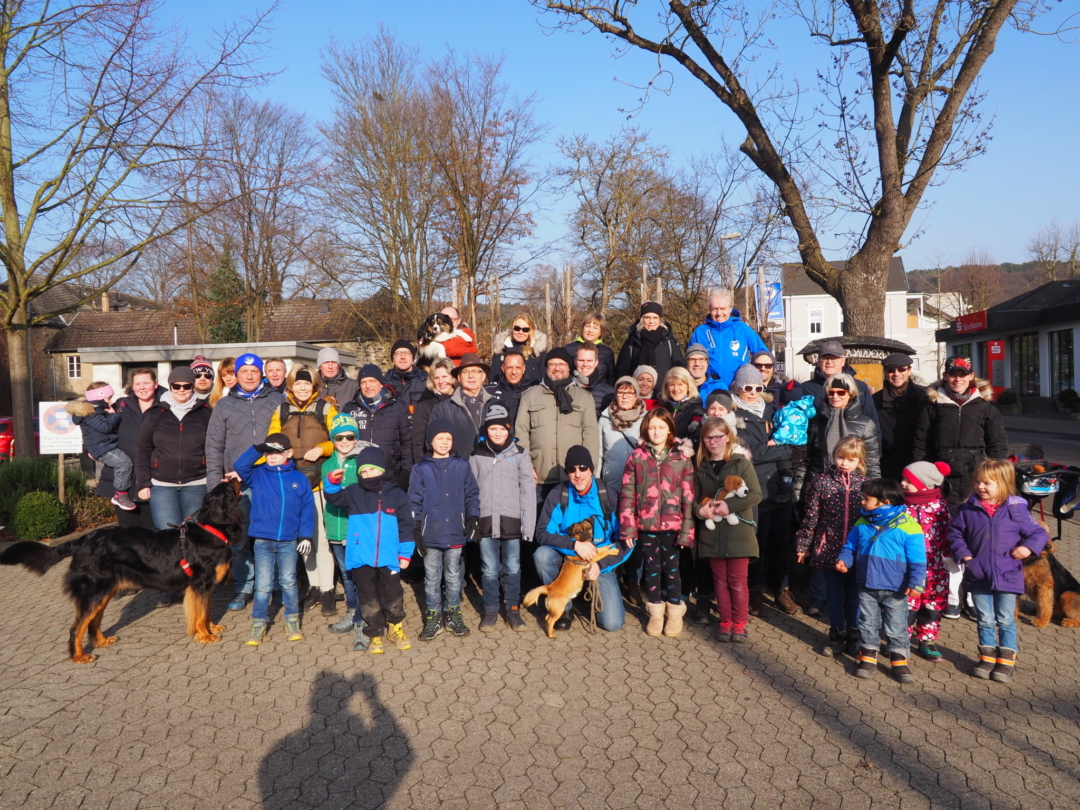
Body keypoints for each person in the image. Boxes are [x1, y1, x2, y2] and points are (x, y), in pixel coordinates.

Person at [947, 458, 1049, 683]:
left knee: (1005, 619)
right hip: (978, 573)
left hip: (1008, 575)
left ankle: (1006, 662)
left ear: (1003, 484)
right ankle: (987, 657)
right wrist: (965, 555)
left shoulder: (1017, 510)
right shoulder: (968, 509)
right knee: (984, 619)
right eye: (978, 482)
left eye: (987, 483)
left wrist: (1026, 548)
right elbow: (954, 532)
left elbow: (1039, 534)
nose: (980, 487)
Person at [205, 353, 286, 611]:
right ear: (235, 375)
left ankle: (274, 586)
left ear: (261, 373)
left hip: (270, 478)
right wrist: (214, 486)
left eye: (254, 371)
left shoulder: (276, 399)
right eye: (244, 372)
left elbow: (286, 438)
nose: (249, 376)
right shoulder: (224, 406)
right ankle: (244, 586)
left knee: (270, 535)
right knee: (239, 538)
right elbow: (214, 446)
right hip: (236, 483)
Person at [323, 445, 414, 656]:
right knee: (369, 598)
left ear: (381, 469)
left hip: (389, 556)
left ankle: (395, 628)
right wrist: (333, 481)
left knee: (393, 594)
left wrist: (405, 553)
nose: (367, 475)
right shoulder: (354, 492)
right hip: (361, 556)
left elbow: (407, 527)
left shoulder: (397, 495)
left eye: (371, 470)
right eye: (363, 472)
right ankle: (374, 633)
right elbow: (334, 497)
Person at [836, 478, 926, 683]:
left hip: (896, 588)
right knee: (868, 623)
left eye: (867, 499)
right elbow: (850, 546)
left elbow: (918, 560)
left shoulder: (909, 526)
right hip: (866, 585)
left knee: (896, 626)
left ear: (884, 502)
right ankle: (868, 658)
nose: (862, 502)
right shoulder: (862, 522)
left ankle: (899, 661)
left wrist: (916, 583)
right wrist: (845, 560)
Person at [266, 364, 339, 616]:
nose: (302, 388)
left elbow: (341, 440)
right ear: (290, 386)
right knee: (303, 540)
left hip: (318, 483)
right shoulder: (281, 410)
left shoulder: (325, 409)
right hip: (292, 484)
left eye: (307, 384)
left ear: (314, 385)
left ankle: (328, 590)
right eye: (298, 384)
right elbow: (271, 443)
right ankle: (315, 587)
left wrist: (322, 448)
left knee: (320, 539)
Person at [534, 445, 629, 632]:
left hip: (600, 561)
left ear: (591, 469)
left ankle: (592, 593)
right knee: (541, 556)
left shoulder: (608, 495)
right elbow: (543, 532)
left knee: (612, 624)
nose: (578, 474)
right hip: (569, 558)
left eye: (583, 468)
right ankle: (564, 609)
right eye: (572, 469)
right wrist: (574, 545)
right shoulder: (558, 494)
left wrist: (601, 565)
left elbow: (625, 540)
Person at [729, 363, 800, 616]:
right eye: (747, 387)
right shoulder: (733, 415)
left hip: (780, 484)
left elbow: (793, 444)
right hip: (753, 488)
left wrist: (782, 452)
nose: (752, 392)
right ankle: (755, 590)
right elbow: (751, 454)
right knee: (756, 543)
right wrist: (781, 450)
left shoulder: (773, 410)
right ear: (737, 387)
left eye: (757, 387)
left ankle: (781, 588)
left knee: (780, 543)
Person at [619, 408, 696, 637]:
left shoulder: (681, 458)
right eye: (652, 427)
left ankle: (673, 614)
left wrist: (687, 531)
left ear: (670, 430)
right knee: (652, 569)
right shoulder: (637, 457)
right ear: (645, 429)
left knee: (672, 570)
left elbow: (688, 497)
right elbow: (627, 494)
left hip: (673, 526)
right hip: (646, 524)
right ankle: (655, 612)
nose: (656, 431)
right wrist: (628, 528)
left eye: (661, 427)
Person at [233, 434, 316, 646]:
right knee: (263, 584)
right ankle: (259, 621)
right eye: (268, 453)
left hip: (289, 541)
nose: (271, 457)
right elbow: (240, 465)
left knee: (288, 582)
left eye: (277, 452)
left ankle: (292, 620)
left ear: (288, 453)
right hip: (262, 540)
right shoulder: (257, 474)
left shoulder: (298, 479)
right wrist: (257, 449)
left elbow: (308, 509)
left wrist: (306, 535)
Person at [795, 437, 869, 658]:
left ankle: (855, 635)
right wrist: (804, 544)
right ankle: (836, 634)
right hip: (828, 548)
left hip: (857, 550)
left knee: (855, 596)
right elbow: (811, 516)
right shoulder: (822, 481)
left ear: (860, 460)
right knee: (834, 595)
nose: (845, 463)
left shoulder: (866, 484)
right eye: (840, 457)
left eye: (851, 459)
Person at [411, 418, 481, 641]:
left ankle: (453, 613)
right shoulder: (421, 468)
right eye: (440, 438)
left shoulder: (461, 466)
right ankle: (433, 616)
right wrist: (414, 528)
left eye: (448, 438)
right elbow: (414, 500)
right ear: (431, 441)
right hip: (430, 533)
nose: (444, 442)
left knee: (453, 576)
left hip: (455, 531)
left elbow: (472, 494)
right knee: (431, 577)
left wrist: (472, 518)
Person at [469, 401, 536, 632]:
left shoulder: (519, 454)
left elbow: (528, 491)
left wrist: (528, 526)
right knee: (488, 568)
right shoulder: (477, 454)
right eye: (492, 428)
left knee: (513, 567)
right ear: (486, 430)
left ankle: (513, 610)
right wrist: (472, 520)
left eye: (502, 428)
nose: (498, 433)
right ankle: (490, 609)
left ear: (509, 429)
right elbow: (471, 490)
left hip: (512, 522)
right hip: (486, 521)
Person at [694, 416, 761, 642]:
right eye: (708, 438)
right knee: (720, 582)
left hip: (739, 534)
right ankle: (725, 621)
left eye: (718, 437)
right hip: (712, 535)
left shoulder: (741, 463)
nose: (713, 442)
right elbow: (693, 500)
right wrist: (699, 511)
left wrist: (729, 505)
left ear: (727, 438)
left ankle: (740, 623)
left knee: (738, 581)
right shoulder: (700, 468)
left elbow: (755, 494)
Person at [913, 355, 1008, 505]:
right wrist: (921, 473)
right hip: (940, 475)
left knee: (974, 520)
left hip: (976, 477)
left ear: (971, 376)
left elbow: (997, 444)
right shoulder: (931, 406)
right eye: (953, 375)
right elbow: (921, 443)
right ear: (945, 376)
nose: (958, 379)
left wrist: (997, 476)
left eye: (962, 375)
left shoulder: (985, 407)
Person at [135, 367, 213, 546]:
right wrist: (143, 482)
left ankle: (193, 573)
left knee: (196, 537)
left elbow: (215, 447)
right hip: (162, 486)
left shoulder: (206, 413)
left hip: (197, 483)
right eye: (176, 386)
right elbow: (143, 449)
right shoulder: (155, 413)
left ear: (192, 386)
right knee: (167, 538)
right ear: (170, 386)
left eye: (186, 386)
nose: (181, 390)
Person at [515, 347, 600, 502]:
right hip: (539, 476)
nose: (557, 368)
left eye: (561, 364)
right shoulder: (530, 396)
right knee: (539, 524)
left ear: (569, 367)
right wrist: (526, 466)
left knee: (574, 525)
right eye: (552, 364)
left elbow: (590, 434)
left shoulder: (584, 398)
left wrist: (588, 468)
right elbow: (521, 432)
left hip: (575, 476)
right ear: (546, 368)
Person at [90, 368, 166, 529]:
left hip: (152, 480)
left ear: (156, 384)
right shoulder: (120, 406)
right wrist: (90, 450)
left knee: (151, 534)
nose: (142, 387)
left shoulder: (166, 408)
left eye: (146, 383)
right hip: (123, 484)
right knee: (127, 535)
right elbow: (94, 428)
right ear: (132, 386)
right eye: (138, 384)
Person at [901, 460, 954, 662]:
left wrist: (950, 554)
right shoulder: (900, 506)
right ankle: (901, 639)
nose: (903, 484)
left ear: (924, 484)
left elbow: (949, 532)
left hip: (935, 567)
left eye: (908, 480)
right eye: (903, 479)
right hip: (908, 566)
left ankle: (927, 639)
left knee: (932, 603)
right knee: (907, 603)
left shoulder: (940, 507)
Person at [321, 415, 367, 644]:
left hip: (355, 528)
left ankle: (363, 618)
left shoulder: (361, 461)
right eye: (339, 437)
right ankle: (351, 610)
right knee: (346, 576)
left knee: (360, 575)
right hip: (335, 527)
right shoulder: (327, 464)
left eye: (350, 436)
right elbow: (326, 497)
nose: (345, 441)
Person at [802, 373, 881, 502]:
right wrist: (799, 493)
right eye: (831, 393)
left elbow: (872, 463)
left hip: (854, 489)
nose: (835, 397)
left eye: (841, 393)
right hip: (819, 488)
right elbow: (807, 460)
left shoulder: (865, 423)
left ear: (851, 394)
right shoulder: (817, 421)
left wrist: (875, 495)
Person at [66, 382, 136, 511]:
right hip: (102, 448)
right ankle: (120, 494)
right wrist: (114, 415)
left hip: (103, 446)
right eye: (108, 398)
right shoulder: (91, 411)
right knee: (124, 463)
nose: (110, 401)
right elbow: (105, 427)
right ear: (100, 397)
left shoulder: (94, 409)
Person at [342, 364, 413, 489]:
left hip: (390, 475)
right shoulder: (350, 408)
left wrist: (405, 474)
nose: (368, 386)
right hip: (358, 476)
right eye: (363, 382)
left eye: (372, 381)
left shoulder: (399, 407)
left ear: (381, 384)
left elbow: (407, 443)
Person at [688, 289, 768, 389]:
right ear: (709, 309)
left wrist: (751, 376)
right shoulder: (700, 332)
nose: (719, 313)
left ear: (730, 309)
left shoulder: (743, 329)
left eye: (723, 308)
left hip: (739, 389)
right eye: (715, 309)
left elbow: (763, 355)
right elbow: (690, 361)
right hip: (708, 389)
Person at [799, 340, 880, 434]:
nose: (829, 362)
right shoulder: (805, 388)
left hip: (853, 445)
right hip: (817, 445)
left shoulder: (859, 387)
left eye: (834, 358)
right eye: (825, 358)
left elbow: (872, 420)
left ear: (843, 362)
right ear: (819, 362)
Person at [873, 353, 930, 481]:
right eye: (891, 370)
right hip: (887, 469)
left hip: (919, 466)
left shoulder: (925, 397)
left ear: (909, 371)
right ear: (886, 373)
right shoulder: (875, 401)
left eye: (901, 369)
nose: (896, 374)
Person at [429, 352, 493, 461]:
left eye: (475, 371)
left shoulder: (495, 405)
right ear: (459, 377)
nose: (471, 376)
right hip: (457, 471)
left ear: (483, 376)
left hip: (490, 471)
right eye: (466, 372)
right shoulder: (442, 409)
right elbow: (432, 444)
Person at [615, 302, 685, 397]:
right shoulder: (631, 341)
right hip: (636, 396)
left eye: (655, 318)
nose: (651, 321)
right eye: (647, 317)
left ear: (660, 320)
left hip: (663, 395)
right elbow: (622, 371)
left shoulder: (669, 341)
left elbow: (679, 369)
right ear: (641, 319)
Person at [599, 377, 646, 495]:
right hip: (611, 482)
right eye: (621, 392)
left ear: (636, 395)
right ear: (615, 394)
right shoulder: (604, 419)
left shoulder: (646, 419)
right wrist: (596, 481)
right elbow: (598, 453)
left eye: (630, 393)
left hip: (639, 482)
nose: (625, 396)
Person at [412, 357, 457, 470]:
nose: (441, 382)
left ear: (453, 377)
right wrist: (422, 467)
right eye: (436, 378)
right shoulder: (425, 405)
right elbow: (418, 440)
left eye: (444, 376)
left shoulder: (461, 400)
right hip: (434, 464)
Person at [490, 312, 547, 385]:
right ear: (512, 329)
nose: (520, 332)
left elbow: (544, 381)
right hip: (506, 395)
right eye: (517, 328)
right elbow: (493, 379)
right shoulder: (501, 351)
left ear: (531, 330)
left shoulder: (538, 353)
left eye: (525, 329)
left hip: (532, 395)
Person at [483, 348, 534, 425]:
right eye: (510, 368)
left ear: (523, 369)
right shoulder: (488, 392)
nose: (514, 372)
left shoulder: (532, 394)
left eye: (518, 368)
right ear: (503, 368)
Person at [565, 311, 616, 386]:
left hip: (600, 393)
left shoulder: (607, 352)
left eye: (595, 328)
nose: (590, 330)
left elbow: (611, 379)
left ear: (601, 332)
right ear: (582, 328)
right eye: (587, 326)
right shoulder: (568, 349)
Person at [660, 367, 705, 451]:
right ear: (666, 388)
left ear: (688, 387)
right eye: (672, 385)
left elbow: (696, 441)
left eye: (680, 384)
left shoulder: (697, 412)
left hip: (684, 460)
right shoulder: (661, 410)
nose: (676, 389)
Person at [571, 342, 614, 418]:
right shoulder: (565, 388)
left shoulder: (608, 392)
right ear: (575, 361)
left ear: (596, 362)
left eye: (589, 360)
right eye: (581, 360)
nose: (585, 364)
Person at [384, 340, 428, 415]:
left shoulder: (426, 381)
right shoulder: (383, 383)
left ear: (413, 359)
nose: (403, 357)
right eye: (398, 353)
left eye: (407, 353)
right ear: (392, 360)